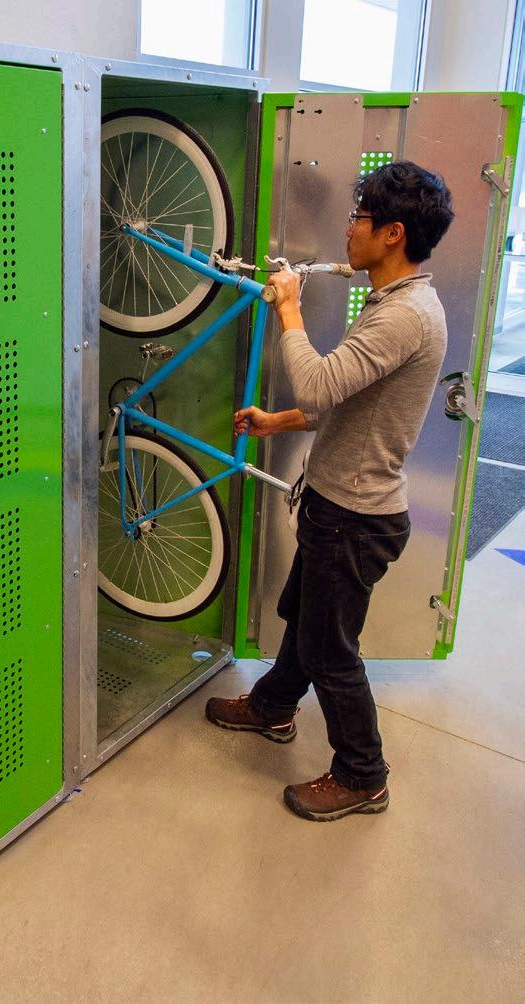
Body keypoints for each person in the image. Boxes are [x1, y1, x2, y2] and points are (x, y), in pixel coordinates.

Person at [206, 161, 455, 822]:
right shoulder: (392, 305)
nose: (349, 230)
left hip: (355, 518)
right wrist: (277, 422)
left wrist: (289, 308)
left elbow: (318, 384)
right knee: (305, 620)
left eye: (360, 218)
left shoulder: (404, 317)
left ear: (394, 233)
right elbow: (347, 402)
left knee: (329, 651)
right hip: (336, 506)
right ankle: (272, 707)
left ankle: (362, 774)